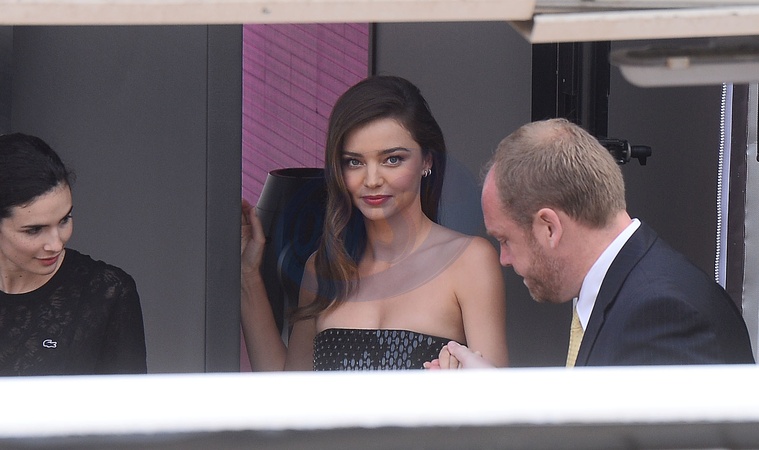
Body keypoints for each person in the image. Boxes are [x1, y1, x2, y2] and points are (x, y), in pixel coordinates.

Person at [428, 118, 755, 369]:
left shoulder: (661, 314)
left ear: (549, 227)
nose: (504, 259)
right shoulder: (637, 288)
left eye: (505, 240)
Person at [241, 75, 508, 371]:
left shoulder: (469, 261)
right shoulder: (323, 268)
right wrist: (247, 275)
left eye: (392, 159)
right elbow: (289, 393)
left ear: (427, 160)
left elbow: (495, 394)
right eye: (354, 162)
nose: (371, 180)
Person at [0, 133, 147, 376]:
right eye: (34, 230)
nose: (56, 244)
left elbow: (128, 399)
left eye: (64, 220)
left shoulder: (106, 293)